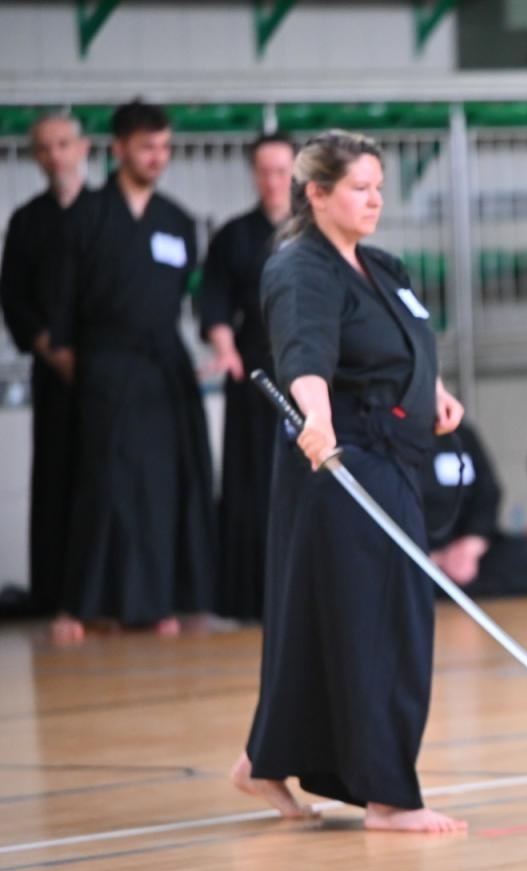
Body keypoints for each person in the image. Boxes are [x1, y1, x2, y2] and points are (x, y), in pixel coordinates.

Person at [232, 130, 469, 834]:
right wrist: (316, 416)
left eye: (378, 187)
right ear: (317, 193)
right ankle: (389, 796)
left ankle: (265, 760)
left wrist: (435, 393)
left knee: (328, 621)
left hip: (393, 457)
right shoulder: (300, 269)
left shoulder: (381, 265)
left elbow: (407, 345)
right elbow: (304, 354)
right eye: (359, 188)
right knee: (382, 627)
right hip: (343, 464)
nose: (375, 200)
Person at [48, 100, 215, 643]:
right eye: (147, 147)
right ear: (118, 149)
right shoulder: (86, 216)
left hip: (163, 367)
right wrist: (73, 358)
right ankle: (86, 604)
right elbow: (63, 304)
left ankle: (158, 602)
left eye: (164, 147)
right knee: (103, 483)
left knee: (161, 486)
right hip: (104, 361)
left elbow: (184, 296)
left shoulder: (177, 221)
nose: (157, 157)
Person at [199, 131, 296, 621]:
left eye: (281, 171)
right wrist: (225, 349)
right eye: (264, 171)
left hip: (308, 368)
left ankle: (307, 593)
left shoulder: (316, 231)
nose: (272, 181)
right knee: (252, 484)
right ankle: (250, 597)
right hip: (253, 369)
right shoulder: (233, 235)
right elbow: (213, 302)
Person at [0, 111, 89, 616]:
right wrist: (54, 352)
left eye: (63, 144)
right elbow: (14, 298)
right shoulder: (27, 221)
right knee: (55, 481)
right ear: (35, 156)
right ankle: (55, 598)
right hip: (53, 373)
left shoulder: (105, 214)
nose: (55, 155)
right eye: (44, 147)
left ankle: (107, 596)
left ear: (82, 148)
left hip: (104, 374)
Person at [424, 420, 527, 599]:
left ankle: (451, 589)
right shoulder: (394, 436)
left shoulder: (461, 434)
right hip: (422, 555)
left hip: (470, 549)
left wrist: (472, 544)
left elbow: (488, 492)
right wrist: (438, 557)